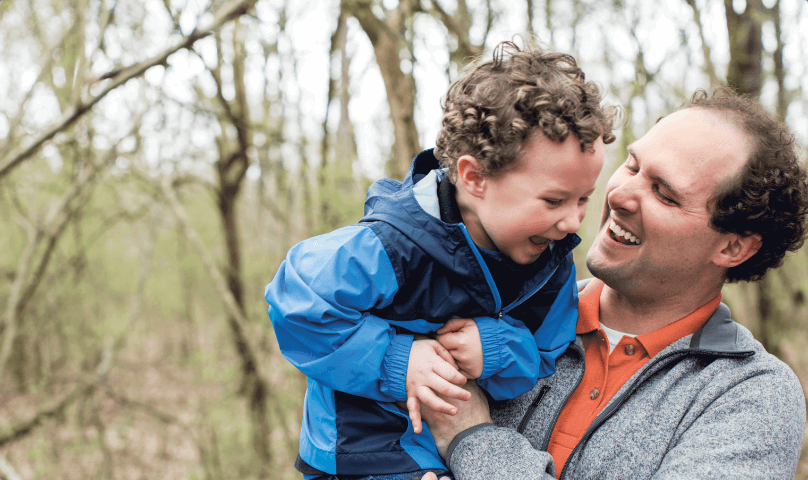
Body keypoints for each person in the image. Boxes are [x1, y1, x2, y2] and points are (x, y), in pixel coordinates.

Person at [264, 41, 616, 479]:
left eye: (583, 199)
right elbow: (296, 302)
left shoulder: (551, 267)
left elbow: (545, 354)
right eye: (554, 200)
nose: (571, 222)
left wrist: (495, 349)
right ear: (474, 177)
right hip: (360, 451)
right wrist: (398, 359)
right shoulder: (395, 242)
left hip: (457, 451)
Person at [420, 87, 808, 480]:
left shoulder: (751, 395)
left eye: (663, 193)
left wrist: (470, 436)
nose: (620, 194)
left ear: (733, 247)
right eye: (633, 165)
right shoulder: (502, 307)